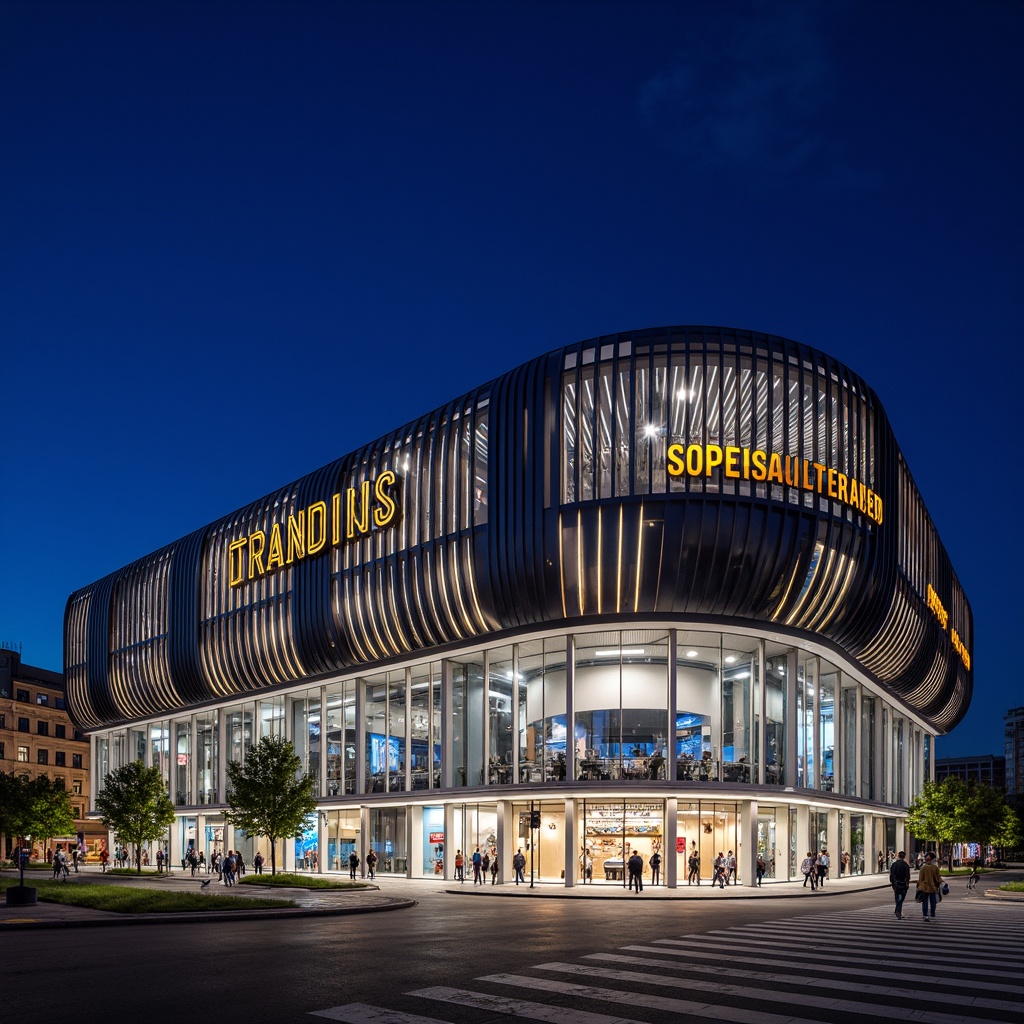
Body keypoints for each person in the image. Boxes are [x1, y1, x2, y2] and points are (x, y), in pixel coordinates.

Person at [916, 851, 943, 921]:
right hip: (933, 888)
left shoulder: (923, 869)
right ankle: (932, 914)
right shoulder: (935, 868)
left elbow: (920, 879)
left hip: (924, 888)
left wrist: (919, 886)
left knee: (925, 902)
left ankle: (925, 915)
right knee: (933, 901)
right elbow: (938, 878)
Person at [889, 850, 910, 919]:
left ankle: (897, 910)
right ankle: (898, 911)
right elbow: (907, 876)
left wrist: (893, 883)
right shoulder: (906, 865)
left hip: (896, 883)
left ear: (898, 856)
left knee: (898, 897)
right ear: (904, 857)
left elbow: (891, 875)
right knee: (901, 898)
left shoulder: (894, 865)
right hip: (903, 883)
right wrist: (907, 883)